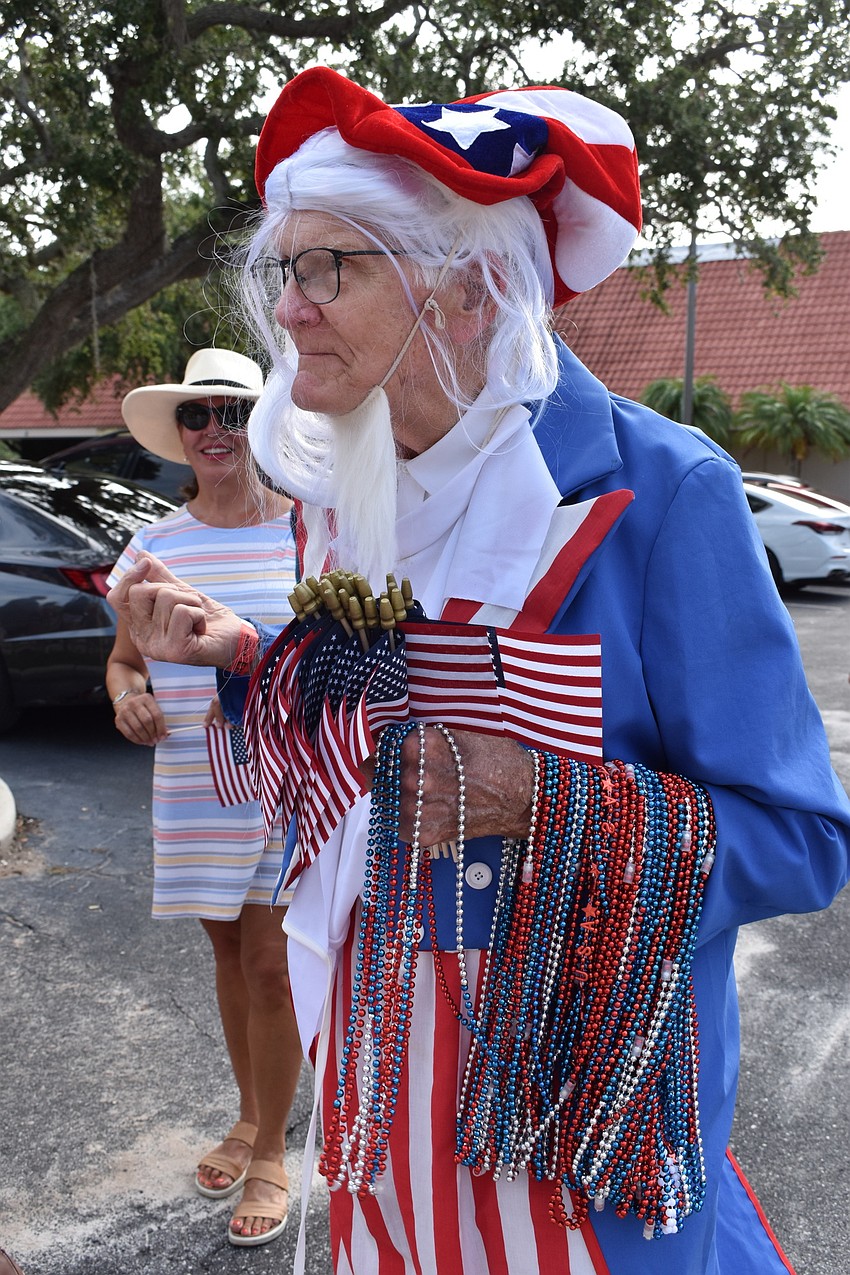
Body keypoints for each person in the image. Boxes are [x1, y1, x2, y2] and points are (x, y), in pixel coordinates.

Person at [107, 70, 850, 1275]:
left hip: (580, 1141)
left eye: (324, 269)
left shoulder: (667, 496)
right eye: (281, 271)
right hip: (385, 1105)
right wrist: (239, 653)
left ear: (461, 287)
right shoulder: (343, 488)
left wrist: (540, 799)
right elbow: (375, 725)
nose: (285, 314)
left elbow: (807, 841)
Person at [105, 348, 302, 1247]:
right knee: (227, 956)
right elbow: (123, 659)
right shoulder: (152, 545)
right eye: (198, 415)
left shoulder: (311, 529)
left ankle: (272, 1150)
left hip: (284, 779)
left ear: (263, 422)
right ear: (179, 434)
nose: (215, 429)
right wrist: (127, 696)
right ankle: (251, 1110)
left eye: (232, 411)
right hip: (190, 777)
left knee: (270, 964)